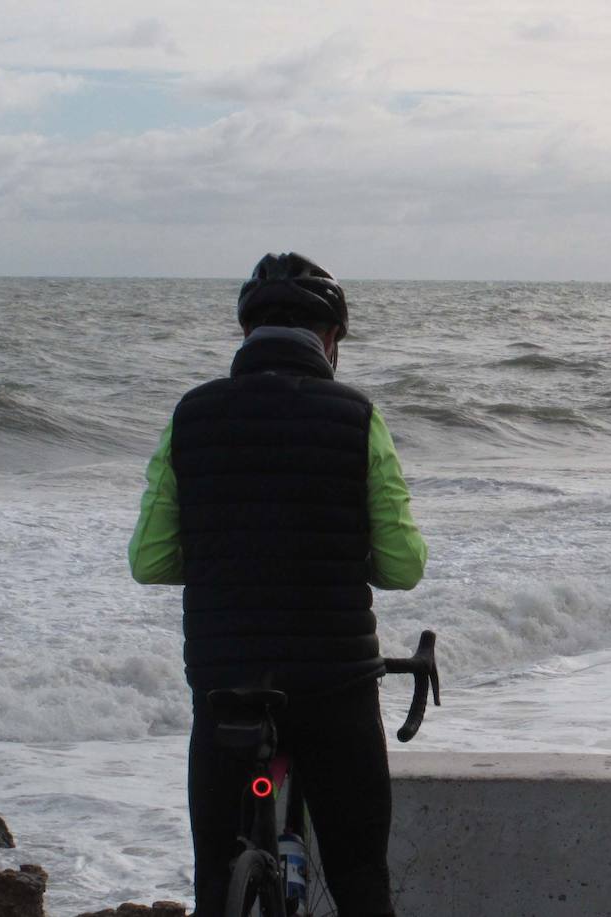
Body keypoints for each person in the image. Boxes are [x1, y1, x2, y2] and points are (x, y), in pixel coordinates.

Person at [128, 252, 427, 917]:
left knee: (214, 878)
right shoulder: (357, 419)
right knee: (357, 874)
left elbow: (149, 560)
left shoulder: (191, 416)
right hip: (333, 687)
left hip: (225, 683)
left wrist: (221, 556)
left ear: (246, 335)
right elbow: (403, 565)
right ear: (329, 341)